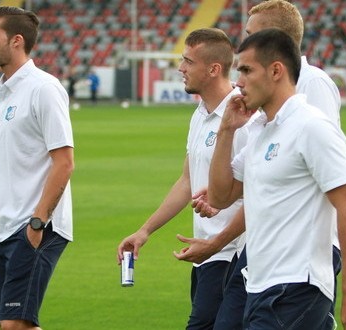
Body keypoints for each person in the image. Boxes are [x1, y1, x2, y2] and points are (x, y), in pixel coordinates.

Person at [174, 1, 344, 329]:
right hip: (264, 246)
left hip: (301, 251)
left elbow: (329, 185)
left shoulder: (312, 85)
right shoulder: (255, 110)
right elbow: (243, 184)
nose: (243, 44)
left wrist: (218, 240)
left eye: (251, 34)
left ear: (275, 39)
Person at [206, 28, 346, 330]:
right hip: (258, 284)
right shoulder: (260, 129)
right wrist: (226, 130)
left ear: (276, 71)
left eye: (245, 70)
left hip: (296, 285)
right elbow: (219, 196)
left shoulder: (311, 126)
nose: (237, 82)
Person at [117, 28, 251, 330]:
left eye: (188, 61)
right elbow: (186, 181)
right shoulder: (201, 114)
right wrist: (144, 231)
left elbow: (256, 193)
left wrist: (217, 244)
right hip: (205, 253)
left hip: (231, 253)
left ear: (214, 69)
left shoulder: (243, 117)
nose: (181, 68)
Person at [0, 6, 75, 330]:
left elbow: (64, 162)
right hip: (3, 228)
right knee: (15, 323)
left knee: (14, 323)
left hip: (36, 227)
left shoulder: (43, 89)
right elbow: (0, 162)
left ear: (17, 41)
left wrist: (38, 223)